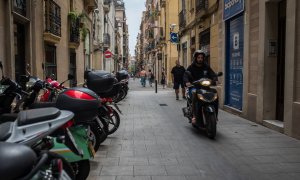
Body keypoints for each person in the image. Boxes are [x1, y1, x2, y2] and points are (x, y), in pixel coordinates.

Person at [183, 50, 218, 124]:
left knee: (215, 93)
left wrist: (215, 79)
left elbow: (212, 74)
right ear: (195, 58)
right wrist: (187, 82)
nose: (200, 59)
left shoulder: (206, 66)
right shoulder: (191, 67)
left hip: (205, 87)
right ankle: (194, 117)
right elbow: (186, 74)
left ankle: (215, 115)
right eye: (198, 57)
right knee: (194, 93)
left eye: (201, 57)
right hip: (194, 86)